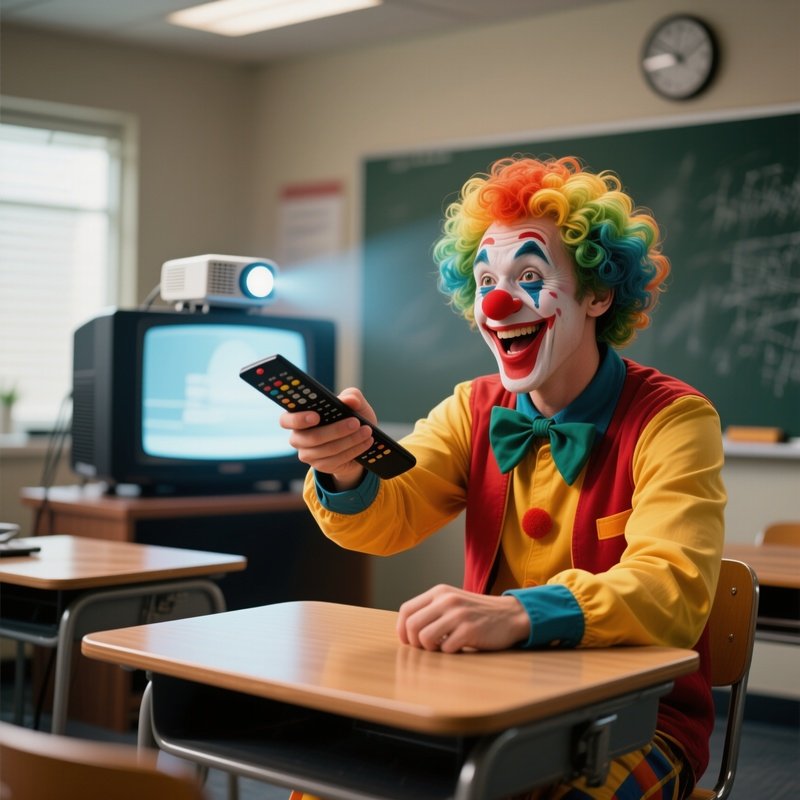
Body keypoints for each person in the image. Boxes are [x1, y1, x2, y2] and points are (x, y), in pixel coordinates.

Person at [281, 155, 726, 800]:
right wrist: (347, 467)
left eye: (529, 275)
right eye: (486, 277)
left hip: (636, 717)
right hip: (484, 699)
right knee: (326, 786)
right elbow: (391, 516)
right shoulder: (473, 408)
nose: (497, 301)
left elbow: (673, 589)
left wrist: (519, 614)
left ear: (598, 295)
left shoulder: (675, 419)